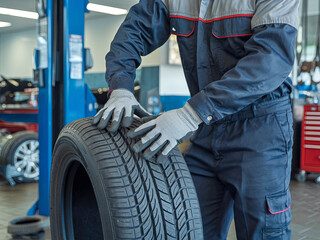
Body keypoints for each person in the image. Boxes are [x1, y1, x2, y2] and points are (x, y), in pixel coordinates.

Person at [93, 0, 299, 239]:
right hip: (207, 125)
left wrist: (191, 114)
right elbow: (134, 32)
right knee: (186, 227)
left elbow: (270, 62)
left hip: (259, 127)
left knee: (263, 232)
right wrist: (121, 88)